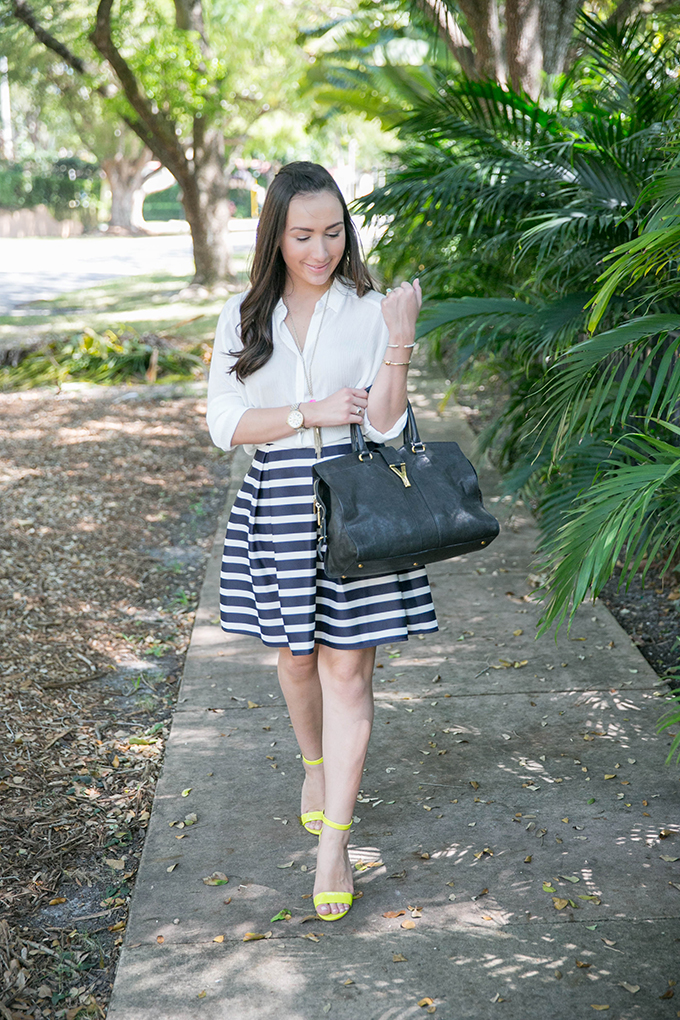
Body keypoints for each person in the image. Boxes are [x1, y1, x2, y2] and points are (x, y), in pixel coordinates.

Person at [206, 161, 438, 921]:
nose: (320, 249)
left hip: (358, 507)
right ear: (275, 236)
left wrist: (398, 344)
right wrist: (308, 412)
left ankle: (334, 842)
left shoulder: (370, 310)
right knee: (297, 661)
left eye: (333, 232)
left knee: (348, 676)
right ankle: (313, 765)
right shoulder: (243, 318)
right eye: (303, 234)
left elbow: (386, 427)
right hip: (276, 504)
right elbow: (225, 425)